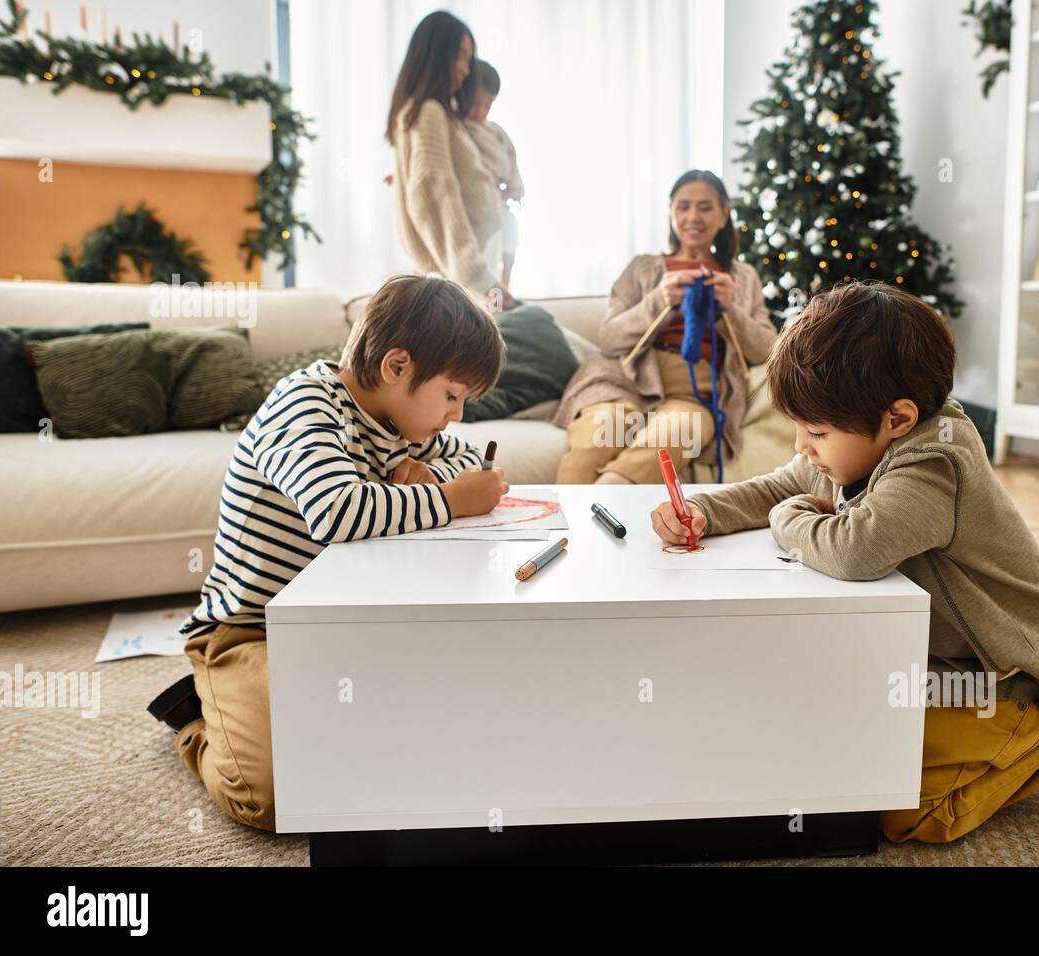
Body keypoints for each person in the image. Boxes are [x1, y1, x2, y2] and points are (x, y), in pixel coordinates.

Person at [649, 280, 1039, 843]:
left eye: (815, 433)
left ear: (898, 419)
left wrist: (789, 519)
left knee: (905, 812)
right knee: (844, 750)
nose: (803, 447)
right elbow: (785, 483)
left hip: (1004, 676)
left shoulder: (933, 465)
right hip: (937, 663)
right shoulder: (859, 436)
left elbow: (854, 550)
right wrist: (703, 511)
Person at [145, 275, 509, 832]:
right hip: (249, 630)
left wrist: (433, 471)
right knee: (269, 798)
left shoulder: (398, 421)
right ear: (397, 367)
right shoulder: (305, 407)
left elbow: (468, 457)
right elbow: (336, 512)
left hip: (338, 627)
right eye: (453, 396)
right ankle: (196, 719)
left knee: (422, 738)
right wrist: (447, 500)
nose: (456, 414)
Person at [552, 170, 778, 484]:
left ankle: (605, 496)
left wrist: (731, 310)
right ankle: (564, 523)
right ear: (671, 211)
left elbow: (768, 350)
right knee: (598, 436)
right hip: (624, 381)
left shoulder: (743, 277)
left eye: (705, 207)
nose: (692, 217)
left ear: (724, 214)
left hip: (694, 396)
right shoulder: (642, 268)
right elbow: (609, 338)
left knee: (675, 435)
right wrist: (658, 300)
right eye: (683, 206)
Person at [386, 11, 516, 309]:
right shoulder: (429, 113)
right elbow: (435, 197)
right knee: (541, 337)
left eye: (469, 60)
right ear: (435, 56)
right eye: (460, 57)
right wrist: (483, 281)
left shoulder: (432, 114)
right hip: (464, 282)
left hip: (468, 278)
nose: (466, 70)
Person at [464, 60, 524, 293]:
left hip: (499, 203)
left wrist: (514, 190)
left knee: (510, 228)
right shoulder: (455, 130)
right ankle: (492, 291)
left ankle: (504, 287)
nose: (480, 111)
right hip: (474, 212)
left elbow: (512, 163)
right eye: (475, 103)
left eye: (487, 105)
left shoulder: (496, 133)